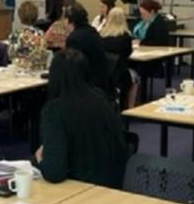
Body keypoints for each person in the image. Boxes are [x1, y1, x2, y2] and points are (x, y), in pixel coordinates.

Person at [33, 49, 128, 188]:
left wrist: (40, 158)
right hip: (115, 184)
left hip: (80, 188)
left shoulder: (55, 110)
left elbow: (54, 172)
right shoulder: (101, 98)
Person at [64, 0, 113, 96]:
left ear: (69, 20)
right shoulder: (92, 32)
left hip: (86, 87)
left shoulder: (73, 39)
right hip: (102, 85)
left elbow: (72, 70)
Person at [100, 7, 136, 108]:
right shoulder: (126, 36)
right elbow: (128, 53)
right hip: (121, 72)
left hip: (104, 72)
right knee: (136, 77)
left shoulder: (102, 35)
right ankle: (130, 107)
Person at [7, 0, 48, 71]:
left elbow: (10, 54)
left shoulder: (16, 34)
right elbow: (43, 53)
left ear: (20, 16)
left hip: (20, 70)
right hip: (39, 69)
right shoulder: (41, 33)